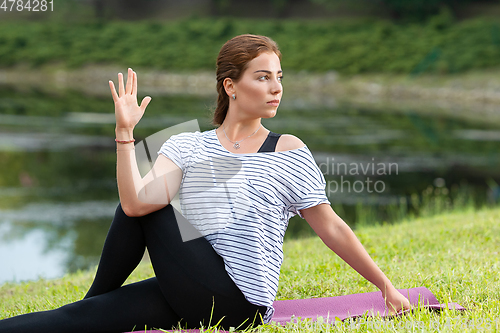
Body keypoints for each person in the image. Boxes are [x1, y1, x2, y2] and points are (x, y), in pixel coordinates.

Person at [0, 34, 411, 333]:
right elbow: (133, 207)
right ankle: (92, 304)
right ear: (230, 86)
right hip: (188, 285)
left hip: (239, 305)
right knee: (74, 320)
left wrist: (386, 288)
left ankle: (96, 297)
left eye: (279, 77)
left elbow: (332, 227)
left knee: (149, 206)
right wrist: (125, 136)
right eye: (263, 77)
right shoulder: (185, 143)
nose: (277, 88)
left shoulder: (287, 149)